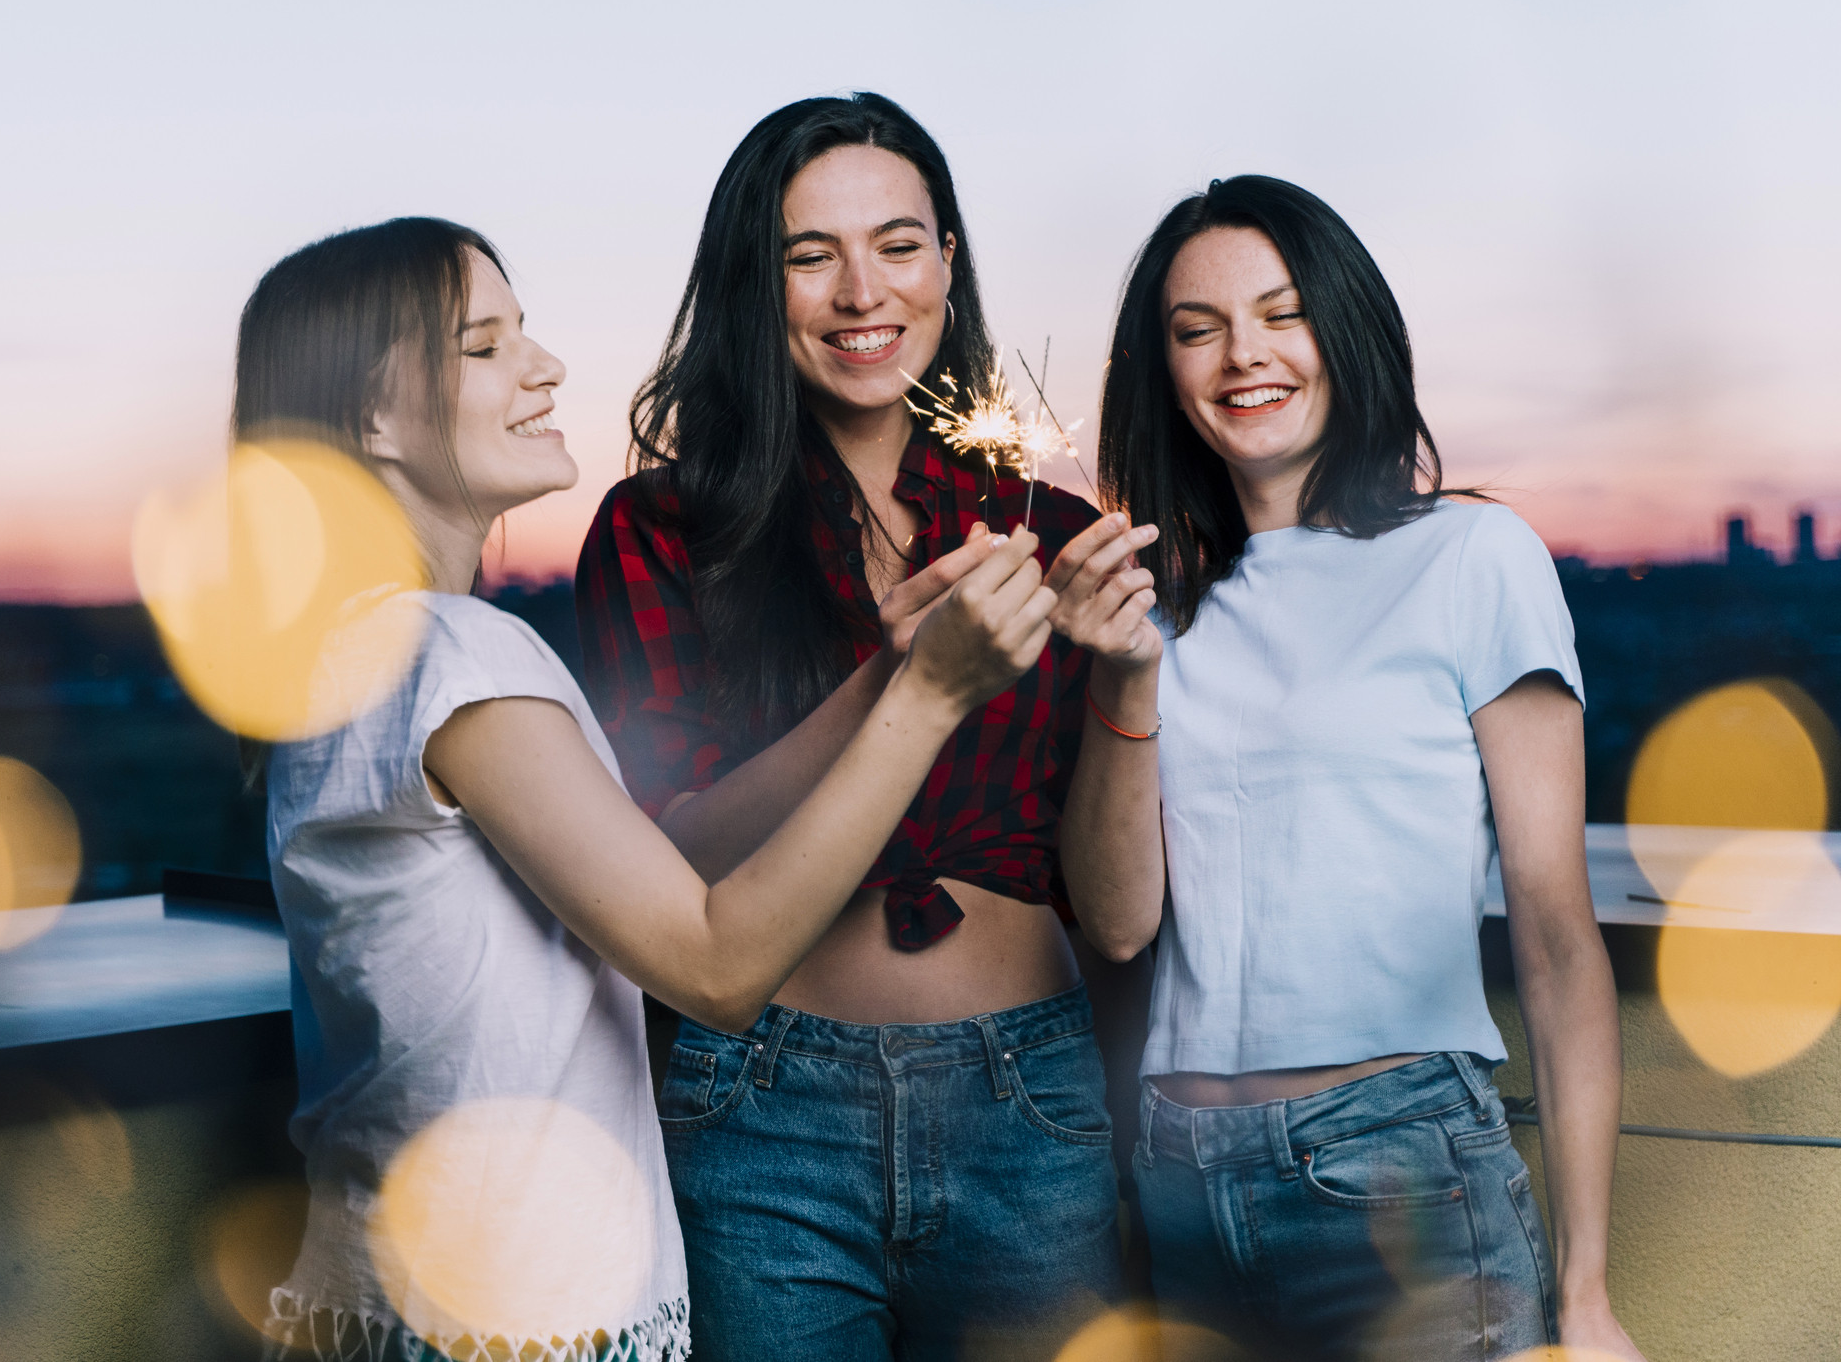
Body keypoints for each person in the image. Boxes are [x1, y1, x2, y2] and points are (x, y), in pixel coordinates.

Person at [241, 217, 1059, 1362]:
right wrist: (930, 700)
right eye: (484, 346)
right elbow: (716, 967)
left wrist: (886, 675)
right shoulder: (458, 659)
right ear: (374, 419)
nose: (545, 367)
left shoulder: (351, 655)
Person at [573, 93, 1161, 1360]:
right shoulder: (662, 532)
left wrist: (1128, 684)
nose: (861, 292)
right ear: (756, 282)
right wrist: (898, 678)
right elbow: (667, 858)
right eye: (809, 254)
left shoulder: (1045, 534)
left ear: (947, 261)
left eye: (898, 245)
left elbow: (1117, 921)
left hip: (1031, 1105)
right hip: (762, 1112)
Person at [1079, 176, 1648, 1361]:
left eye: (1282, 314)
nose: (1244, 355)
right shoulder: (1149, 607)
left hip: (1402, 1175)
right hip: (1179, 1184)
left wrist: (1588, 1296)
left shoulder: (1473, 557)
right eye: (1198, 329)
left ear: (1348, 330)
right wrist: (1121, 680)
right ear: (1164, 373)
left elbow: (1554, 935)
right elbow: (1120, 924)